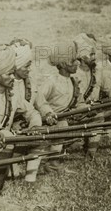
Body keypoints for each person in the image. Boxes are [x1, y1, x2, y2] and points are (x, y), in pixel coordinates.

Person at [0, 44, 41, 204]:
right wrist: (1, 133)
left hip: (2, 142)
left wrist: (35, 126)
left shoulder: (13, 95)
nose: (13, 77)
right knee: (7, 140)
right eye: (10, 74)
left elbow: (32, 112)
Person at [33, 42, 80, 172]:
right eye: (73, 61)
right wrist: (47, 114)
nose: (77, 63)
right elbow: (39, 100)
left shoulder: (73, 81)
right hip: (49, 120)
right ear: (63, 64)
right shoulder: (51, 81)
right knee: (63, 125)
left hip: (65, 117)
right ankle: (52, 163)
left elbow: (78, 101)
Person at [8, 39, 44, 182]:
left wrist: (37, 124)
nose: (29, 69)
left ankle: (30, 178)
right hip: (9, 131)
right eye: (26, 66)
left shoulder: (30, 81)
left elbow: (39, 104)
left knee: (40, 140)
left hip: (26, 127)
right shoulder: (5, 84)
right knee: (12, 175)